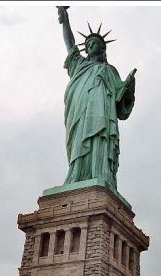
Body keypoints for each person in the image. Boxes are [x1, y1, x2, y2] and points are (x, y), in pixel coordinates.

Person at [57, 6, 136, 191]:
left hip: (102, 115)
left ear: (103, 48)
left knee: (100, 140)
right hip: (79, 112)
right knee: (79, 143)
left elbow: (121, 99)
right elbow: (70, 45)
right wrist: (65, 19)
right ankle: (76, 174)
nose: (92, 45)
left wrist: (129, 86)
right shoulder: (79, 65)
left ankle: (100, 174)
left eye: (96, 43)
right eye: (89, 44)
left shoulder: (109, 71)